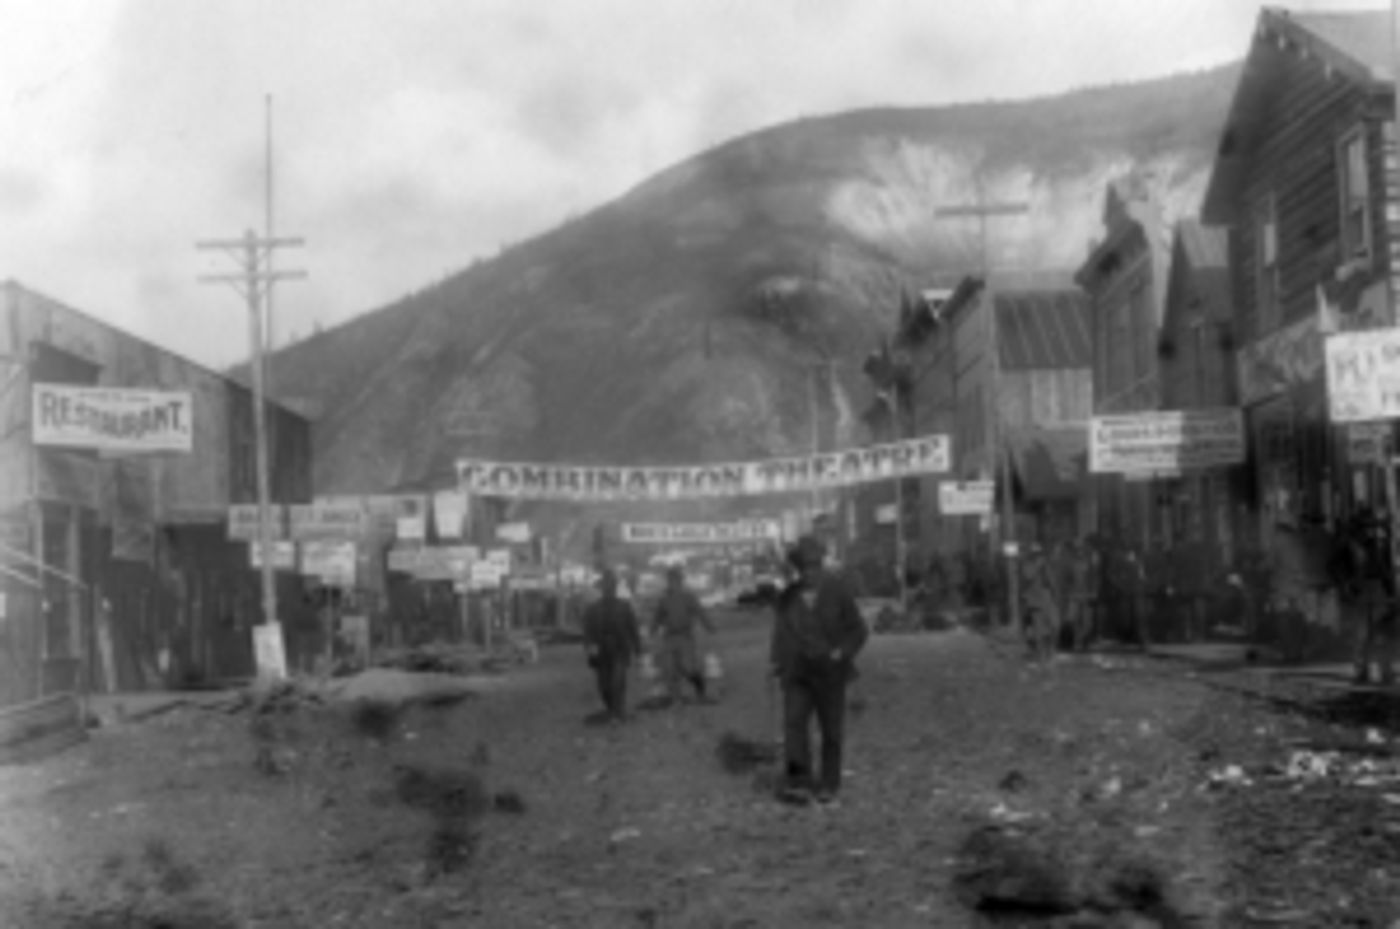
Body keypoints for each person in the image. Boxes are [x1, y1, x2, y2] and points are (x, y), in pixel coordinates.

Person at [769, 535, 869, 806]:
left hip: (830, 672)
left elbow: (858, 629)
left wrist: (842, 651)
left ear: (821, 564)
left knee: (831, 732)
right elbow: (780, 633)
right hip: (798, 672)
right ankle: (798, 782)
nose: (809, 572)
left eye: (814, 565)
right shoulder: (787, 597)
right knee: (793, 726)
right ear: (798, 568)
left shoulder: (838, 592)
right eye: (804, 567)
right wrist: (776, 663)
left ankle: (828, 784)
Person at [581, 570, 643, 723]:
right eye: (606, 587)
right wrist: (590, 648)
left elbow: (633, 629)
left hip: (619, 648)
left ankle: (618, 711)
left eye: (611, 586)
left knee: (617, 681)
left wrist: (638, 649)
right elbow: (588, 631)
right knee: (603, 685)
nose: (609, 589)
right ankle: (612, 710)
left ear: (615, 588)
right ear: (602, 589)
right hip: (601, 649)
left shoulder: (624, 607)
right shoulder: (593, 609)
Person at [651, 564, 716, 704]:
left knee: (688, 668)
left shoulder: (688, 597)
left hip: (685, 636)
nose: (672, 583)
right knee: (670, 668)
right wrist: (652, 629)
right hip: (669, 637)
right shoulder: (664, 599)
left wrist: (709, 626)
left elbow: (700, 612)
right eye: (670, 580)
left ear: (680, 581)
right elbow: (657, 617)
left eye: (675, 580)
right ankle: (676, 697)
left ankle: (700, 690)